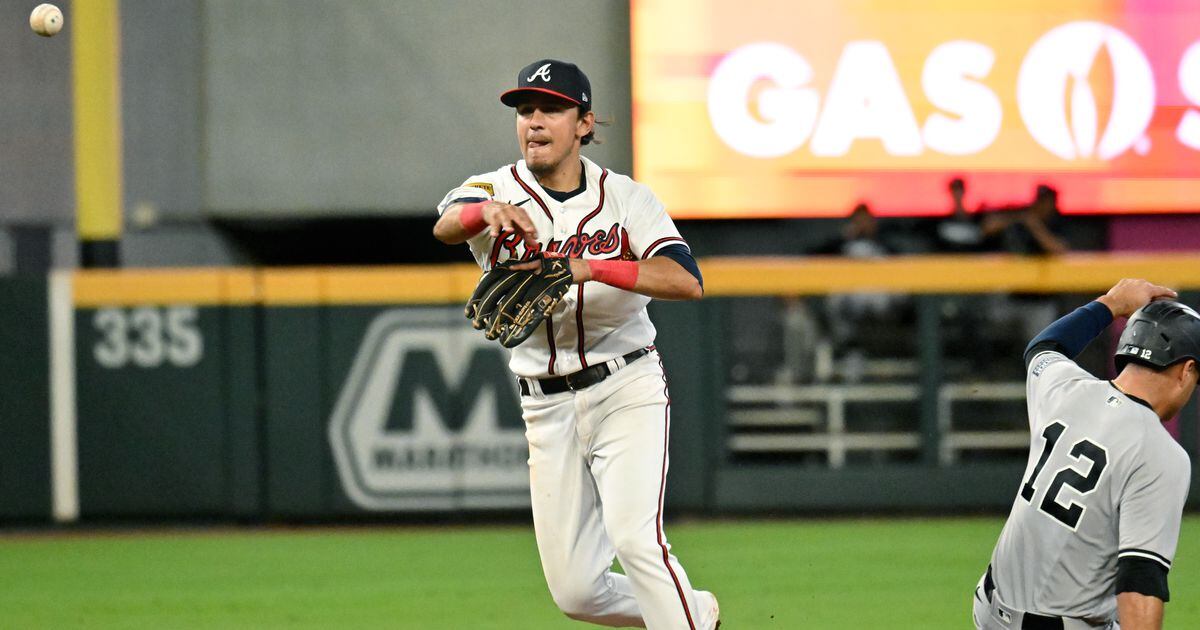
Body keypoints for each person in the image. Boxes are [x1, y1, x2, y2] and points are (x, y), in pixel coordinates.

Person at [432, 59, 719, 629]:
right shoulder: (493, 188)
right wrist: (484, 213)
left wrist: (591, 267)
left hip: (626, 384)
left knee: (638, 543)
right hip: (545, 402)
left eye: (551, 109)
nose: (534, 121)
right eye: (525, 110)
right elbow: (445, 224)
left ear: (584, 123)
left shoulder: (627, 199)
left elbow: (685, 280)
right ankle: (695, 614)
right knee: (578, 594)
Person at [973, 279, 1199, 630]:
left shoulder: (1065, 388)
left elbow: (1044, 345)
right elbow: (1140, 580)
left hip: (991, 608)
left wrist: (1111, 303)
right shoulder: (1162, 454)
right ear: (1186, 370)